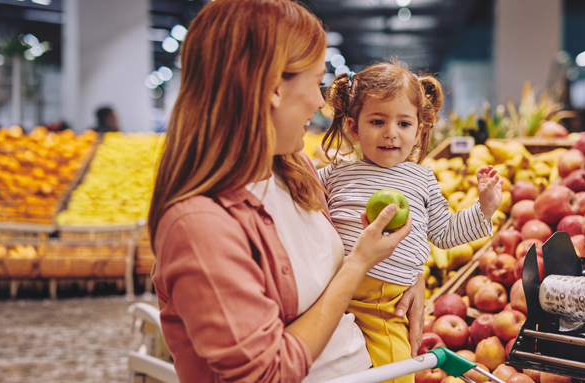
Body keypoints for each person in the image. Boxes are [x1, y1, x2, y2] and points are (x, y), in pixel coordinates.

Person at [146, 1, 424, 382]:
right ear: (274, 87)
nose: (319, 101)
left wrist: (408, 270)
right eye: (315, 81)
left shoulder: (295, 169)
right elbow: (267, 373)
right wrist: (359, 264)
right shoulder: (199, 226)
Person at [318, 62, 503, 381]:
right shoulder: (336, 173)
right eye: (377, 121)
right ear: (353, 127)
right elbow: (299, 192)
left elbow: (445, 233)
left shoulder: (422, 179)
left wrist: (483, 208)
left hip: (385, 303)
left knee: (395, 371)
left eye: (404, 123)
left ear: (418, 130)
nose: (391, 132)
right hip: (333, 288)